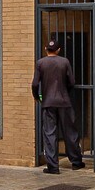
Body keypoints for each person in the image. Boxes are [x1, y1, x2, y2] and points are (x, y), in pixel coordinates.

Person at [31, 35, 84, 174]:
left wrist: (37, 97)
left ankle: (53, 166)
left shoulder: (40, 63)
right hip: (64, 101)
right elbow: (71, 82)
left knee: (50, 134)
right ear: (59, 49)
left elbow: (35, 84)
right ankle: (76, 162)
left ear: (45, 49)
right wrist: (65, 91)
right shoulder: (64, 62)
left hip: (48, 103)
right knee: (70, 132)